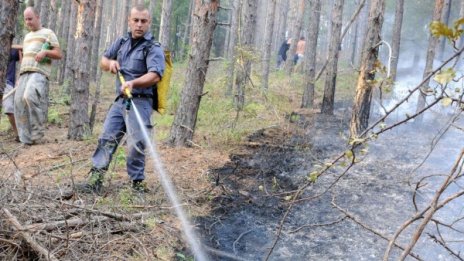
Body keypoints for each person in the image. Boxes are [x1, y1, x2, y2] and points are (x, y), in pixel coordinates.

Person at [81, 4, 165, 194]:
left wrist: (133, 83)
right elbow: (103, 60)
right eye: (135, 20)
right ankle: (95, 179)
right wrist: (110, 63)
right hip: (120, 101)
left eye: (143, 21)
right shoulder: (121, 41)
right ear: (129, 21)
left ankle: (137, 184)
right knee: (107, 138)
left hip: (141, 101)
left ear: (149, 23)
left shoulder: (153, 47)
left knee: (137, 142)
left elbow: (155, 75)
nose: (139, 25)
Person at [15, 7, 62, 145]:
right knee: (18, 102)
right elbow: (24, 58)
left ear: (37, 17)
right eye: (26, 19)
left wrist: (45, 53)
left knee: (29, 96)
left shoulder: (48, 33)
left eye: (30, 19)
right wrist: (19, 77)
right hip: (24, 73)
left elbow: (59, 54)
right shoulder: (27, 37)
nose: (28, 22)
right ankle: (26, 139)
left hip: (38, 72)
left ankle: (38, 133)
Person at [2, 46, 22, 141]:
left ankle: (18, 135)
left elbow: (26, 49)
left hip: (7, 83)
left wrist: (20, 76)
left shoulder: (11, 49)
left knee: (9, 109)